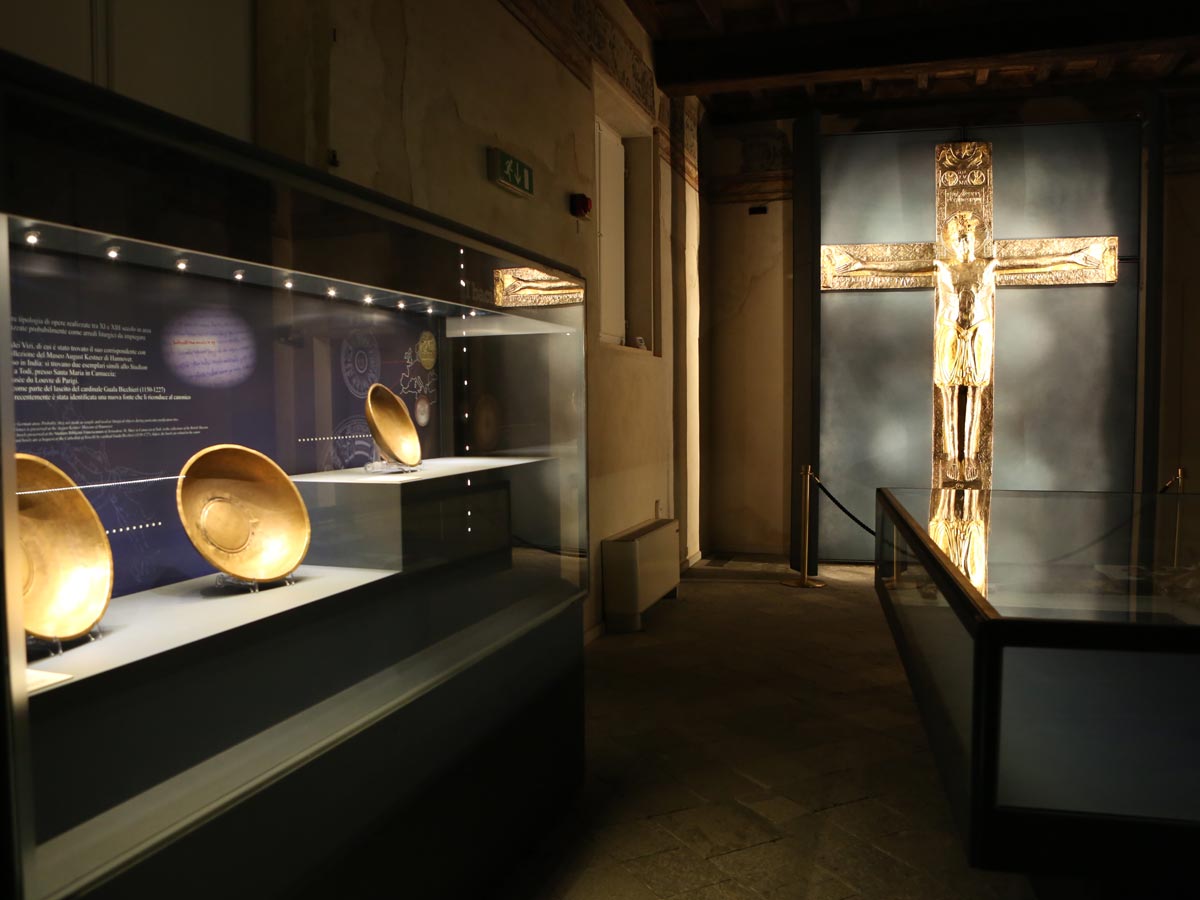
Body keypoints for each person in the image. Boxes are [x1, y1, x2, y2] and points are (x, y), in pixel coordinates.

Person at [831, 212, 1103, 485]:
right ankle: (952, 455)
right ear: (952, 242)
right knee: (949, 393)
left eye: (967, 238)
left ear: (974, 240)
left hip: (977, 336)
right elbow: (899, 269)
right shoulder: (943, 267)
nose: (963, 244)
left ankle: (970, 456)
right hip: (950, 335)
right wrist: (859, 265)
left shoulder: (987, 266)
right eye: (958, 239)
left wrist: (1073, 258)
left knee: (974, 392)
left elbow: (1031, 264)